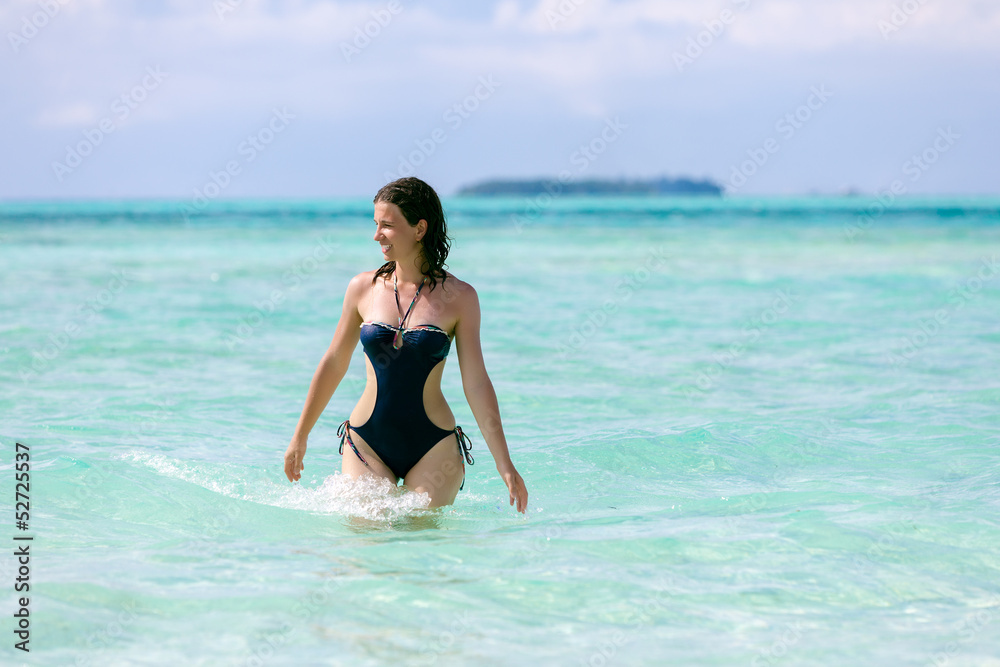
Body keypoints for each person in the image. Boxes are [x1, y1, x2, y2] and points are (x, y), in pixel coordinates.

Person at [283, 177, 528, 513]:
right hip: (366, 441)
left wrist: (505, 464)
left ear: (419, 228)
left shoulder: (460, 298)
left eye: (387, 225)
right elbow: (334, 363)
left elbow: (476, 382)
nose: (376, 235)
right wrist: (300, 436)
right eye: (375, 224)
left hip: (433, 445)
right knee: (364, 538)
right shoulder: (362, 288)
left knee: (421, 541)